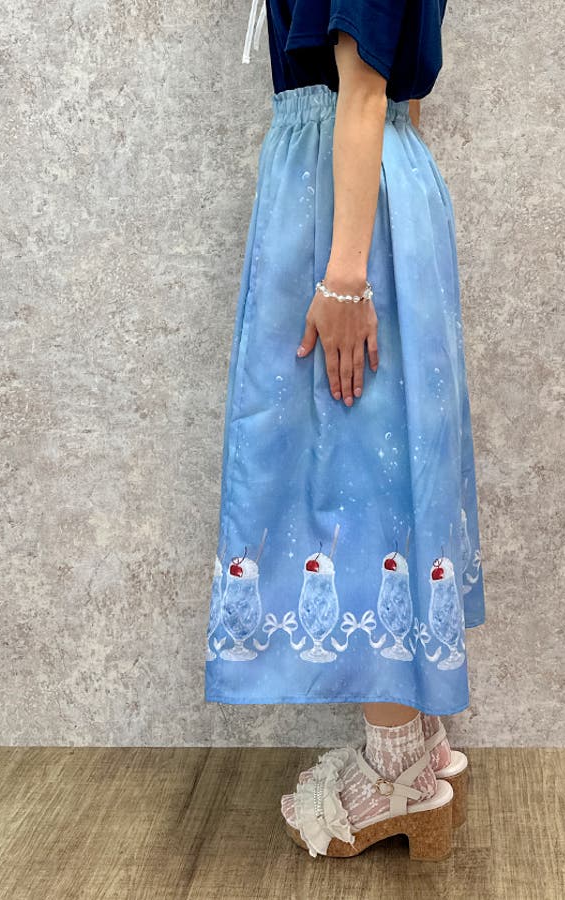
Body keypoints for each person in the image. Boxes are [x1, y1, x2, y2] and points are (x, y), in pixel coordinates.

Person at [204, 0, 487, 859]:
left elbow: (362, 91)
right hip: (360, 185)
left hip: (342, 203)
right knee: (383, 464)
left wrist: (346, 278)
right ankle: (417, 740)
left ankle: (399, 770)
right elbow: (387, 95)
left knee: (357, 479)